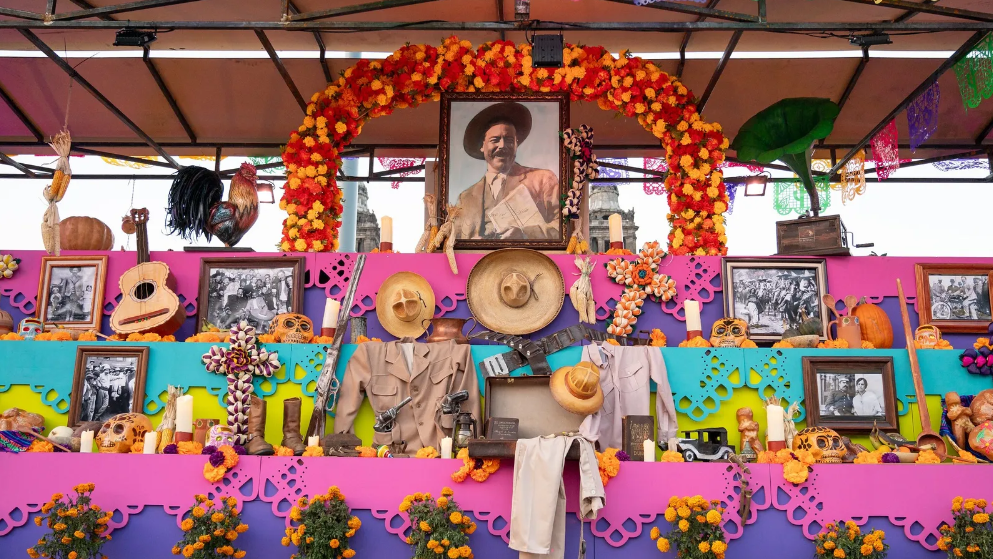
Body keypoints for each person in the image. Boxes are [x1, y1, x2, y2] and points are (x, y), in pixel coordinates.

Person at [455, 102, 560, 240]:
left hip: (530, 260)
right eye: (495, 140)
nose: (502, 146)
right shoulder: (466, 198)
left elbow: (562, 228)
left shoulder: (543, 180)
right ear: (482, 146)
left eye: (509, 140)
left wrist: (524, 234)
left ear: (516, 144)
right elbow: (454, 241)